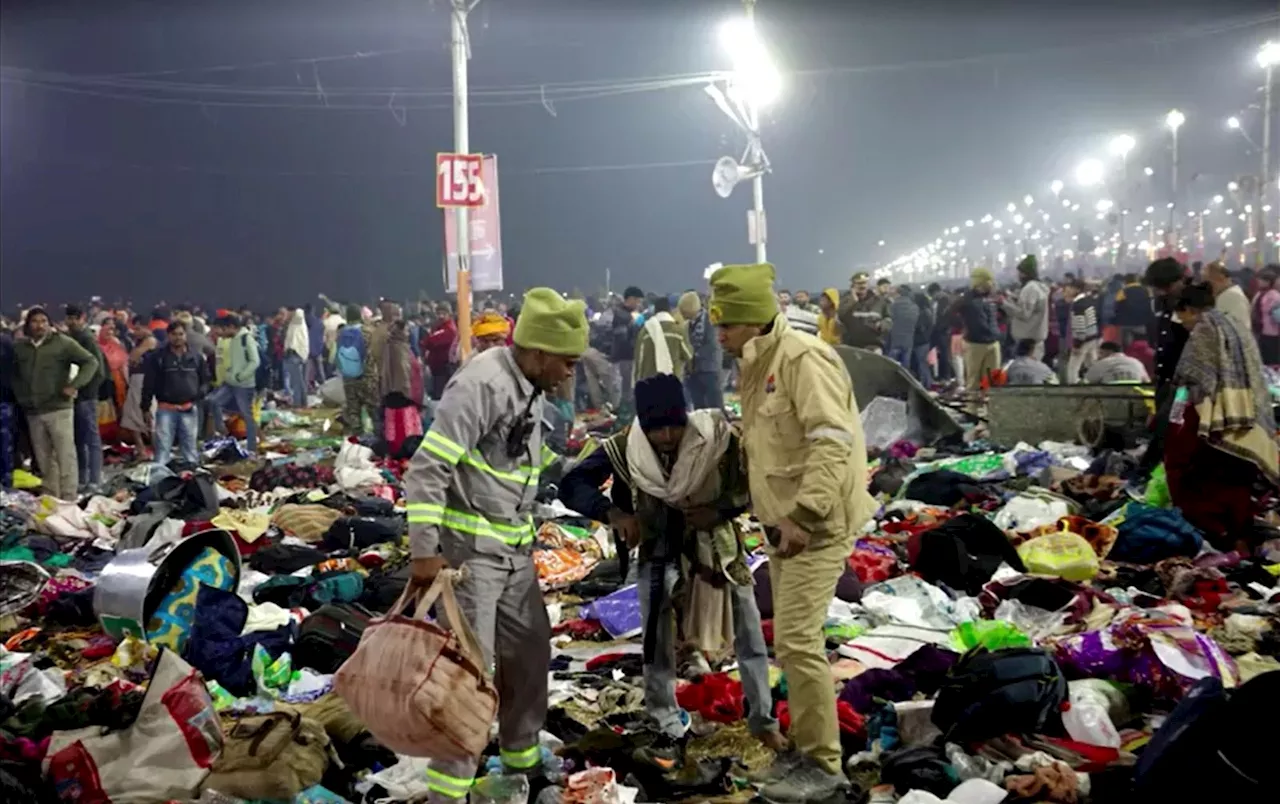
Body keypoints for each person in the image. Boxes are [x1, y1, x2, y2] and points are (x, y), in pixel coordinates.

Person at [403, 288, 586, 802]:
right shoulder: (481, 384)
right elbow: (428, 467)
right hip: (470, 560)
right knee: (467, 674)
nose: (570, 372)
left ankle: (520, 756)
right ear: (539, 352)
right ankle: (451, 787)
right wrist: (423, 552)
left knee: (529, 652)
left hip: (514, 553)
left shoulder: (531, 387)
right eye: (567, 361)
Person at [711, 263, 872, 802]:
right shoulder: (759, 363)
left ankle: (824, 767)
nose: (720, 335)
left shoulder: (803, 359)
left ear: (754, 321)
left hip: (815, 524)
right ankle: (804, 752)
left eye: (727, 325)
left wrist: (803, 514)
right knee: (792, 641)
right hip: (784, 523)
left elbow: (833, 440)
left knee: (799, 642)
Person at [558, 374, 783, 757]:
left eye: (673, 425)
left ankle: (762, 719)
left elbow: (752, 485)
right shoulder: (625, 447)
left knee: (748, 633)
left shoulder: (716, 440)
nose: (665, 436)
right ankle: (664, 717)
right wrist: (614, 513)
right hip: (659, 552)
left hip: (719, 553)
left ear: (686, 417)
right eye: (655, 428)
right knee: (656, 641)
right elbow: (572, 484)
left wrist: (718, 510)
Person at [1166, 280, 1279, 552]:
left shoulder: (1206, 329)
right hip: (1246, 417)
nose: (1183, 324)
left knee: (1197, 478)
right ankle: (1238, 540)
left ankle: (1215, 539)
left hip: (1212, 416)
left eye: (1183, 318)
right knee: (1236, 481)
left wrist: (1174, 418)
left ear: (1191, 310)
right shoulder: (1235, 326)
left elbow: (1191, 382)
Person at [12, 307, 98, 500]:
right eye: (35, 321)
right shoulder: (21, 347)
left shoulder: (63, 343)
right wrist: (21, 395)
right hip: (33, 411)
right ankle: (51, 495)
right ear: (28, 325)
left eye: (43, 320)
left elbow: (90, 362)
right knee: (44, 458)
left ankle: (69, 497)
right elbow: (14, 374)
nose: (39, 325)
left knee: (65, 454)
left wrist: (75, 385)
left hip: (59, 408)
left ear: (49, 323)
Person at [1137, 257, 1191, 478]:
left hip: (1184, 384)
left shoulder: (1191, 306)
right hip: (1165, 379)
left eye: (1165, 287)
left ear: (1179, 281)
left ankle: (1151, 474)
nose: (1161, 292)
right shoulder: (1163, 304)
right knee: (1162, 426)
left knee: (1167, 429)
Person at [141, 320, 209, 467]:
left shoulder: (196, 357)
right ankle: (161, 480)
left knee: (190, 449)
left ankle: (192, 480)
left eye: (181, 334)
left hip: (189, 408)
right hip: (166, 409)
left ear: (185, 335)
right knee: (163, 450)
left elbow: (205, 380)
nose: (178, 337)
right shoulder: (158, 358)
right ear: (168, 336)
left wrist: (198, 395)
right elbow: (149, 384)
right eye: (174, 334)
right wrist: (145, 407)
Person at [64, 305, 105, 493]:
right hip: (74, 396)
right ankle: (82, 479)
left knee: (91, 439)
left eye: (75, 318)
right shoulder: (70, 339)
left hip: (86, 396)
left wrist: (85, 390)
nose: (71, 321)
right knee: (79, 439)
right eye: (69, 318)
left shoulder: (87, 339)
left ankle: (95, 479)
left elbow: (98, 370)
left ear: (82, 318)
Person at [206, 313, 260, 455]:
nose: (221, 334)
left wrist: (240, 376)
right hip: (230, 382)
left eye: (222, 330)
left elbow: (255, 361)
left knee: (247, 416)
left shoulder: (245, 339)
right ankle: (223, 431)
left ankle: (252, 448)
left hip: (243, 384)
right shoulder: (233, 339)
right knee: (212, 401)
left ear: (231, 327)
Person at [951, 268, 1001, 391]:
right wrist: (966, 327)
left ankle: (988, 407)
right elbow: (949, 313)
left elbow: (999, 316)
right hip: (974, 344)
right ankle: (972, 408)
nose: (993, 284)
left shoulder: (991, 298)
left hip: (993, 343)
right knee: (973, 381)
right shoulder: (967, 299)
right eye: (990, 281)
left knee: (992, 380)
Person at [121, 315, 158, 457]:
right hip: (136, 379)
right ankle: (141, 449)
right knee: (131, 415)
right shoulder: (140, 341)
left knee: (148, 416)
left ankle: (155, 450)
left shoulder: (150, 341)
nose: (135, 332)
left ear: (146, 327)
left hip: (144, 380)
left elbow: (133, 357)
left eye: (138, 329)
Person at [336, 305, 377, 434]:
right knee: (373, 409)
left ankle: (357, 438)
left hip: (348, 377)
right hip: (367, 376)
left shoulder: (341, 334)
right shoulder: (368, 331)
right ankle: (377, 438)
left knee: (353, 410)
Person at [633, 297, 692, 385]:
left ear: (655, 310)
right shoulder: (678, 330)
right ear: (670, 310)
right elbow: (688, 355)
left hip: (649, 383)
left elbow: (639, 360)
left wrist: (637, 381)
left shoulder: (645, 331)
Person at [1002, 255, 1051, 359]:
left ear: (1025, 273)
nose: (1018, 276)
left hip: (1027, 342)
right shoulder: (1039, 287)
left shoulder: (1030, 288)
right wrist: (1013, 298)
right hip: (1036, 338)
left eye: (1019, 273)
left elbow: (1024, 313)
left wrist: (1004, 303)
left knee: (1026, 371)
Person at [682, 291, 724, 409]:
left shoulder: (711, 320)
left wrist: (692, 354)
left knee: (715, 406)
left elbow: (713, 344)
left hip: (710, 369)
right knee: (699, 408)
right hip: (693, 372)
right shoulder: (688, 324)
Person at [609, 287, 645, 411]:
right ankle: (623, 417)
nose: (638, 304)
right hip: (624, 358)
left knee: (626, 390)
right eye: (637, 301)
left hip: (624, 358)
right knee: (626, 392)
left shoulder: (625, 314)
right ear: (630, 299)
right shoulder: (623, 316)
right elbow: (623, 340)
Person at [837, 272, 892, 352]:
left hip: (873, 346)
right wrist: (852, 301)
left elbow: (889, 319)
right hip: (851, 347)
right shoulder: (845, 301)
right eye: (859, 284)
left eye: (864, 283)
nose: (862, 286)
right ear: (853, 286)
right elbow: (839, 316)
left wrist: (883, 325)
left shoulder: (879, 301)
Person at [1064, 277, 1101, 384]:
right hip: (1092, 337)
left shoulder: (1078, 305)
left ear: (1077, 290)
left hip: (1083, 340)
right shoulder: (1090, 300)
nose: (1066, 291)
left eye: (1069, 289)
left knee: (1073, 368)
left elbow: (1080, 325)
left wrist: (1077, 344)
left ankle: (1073, 389)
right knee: (1092, 365)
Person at [1203, 260, 1252, 334]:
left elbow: (1242, 328)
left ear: (1220, 278)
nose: (1208, 287)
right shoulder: (1225, 294)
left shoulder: (1233, 296)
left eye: (1209, 282)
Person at [424, 302, 459, 400]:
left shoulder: (449, 329)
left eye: (444, 313)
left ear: (449, 314)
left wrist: (428, 341)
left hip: (443, 369)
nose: (441, 316)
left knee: (440, 396)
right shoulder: (438, 327)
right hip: (437, 369)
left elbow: (429, 341)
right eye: (439, 313)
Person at [1113, 273, 1153, 347]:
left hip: (1125, 323)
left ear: (1126, 281)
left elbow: (1116, 307)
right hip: (1142, 322)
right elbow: (1151, 304)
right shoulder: (1146, 290)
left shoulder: (1123, 291)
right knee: (1141, 344)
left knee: (1125, 346)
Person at [1084, 341, 1150, 384]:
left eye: (1101, 353)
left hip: (1111, 399)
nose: (1099, 356)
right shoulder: (1137, 362)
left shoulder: (1103, 362)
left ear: (1109, 352)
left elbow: (1088, 380)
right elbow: (1147, 381)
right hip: (1136, 399)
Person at [886, 284, 919, 369]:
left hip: (895, 338)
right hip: (909, 338)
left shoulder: (893, 306)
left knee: (891, 362)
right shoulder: (914, 307)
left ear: (898, 294)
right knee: (906, 362)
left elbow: (889, 319)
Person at [1253, 267, 1280, 364]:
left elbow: (1278, 316)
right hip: (1262, 332)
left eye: (1262, 279)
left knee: (1271, 361)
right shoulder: (1261, 294)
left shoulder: (1273, 295)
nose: (1258, 281)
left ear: (1268, 281)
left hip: (1272, 334)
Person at [284, 308, 310, 408]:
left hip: (295, 354)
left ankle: (297, 403)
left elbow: (298, 313)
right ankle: (303, 402)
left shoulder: (297, 321)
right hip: (298, 354)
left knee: (296, 382)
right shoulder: (295, 324)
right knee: (299, 381)